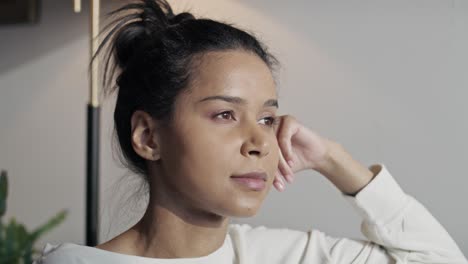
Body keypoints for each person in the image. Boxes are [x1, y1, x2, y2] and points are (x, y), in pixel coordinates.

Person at [34, 0, 467, 263]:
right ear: (148, 136)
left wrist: (333, 160)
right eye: (225, 114)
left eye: (266, 118)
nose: (260, 142)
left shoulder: (286, 257)